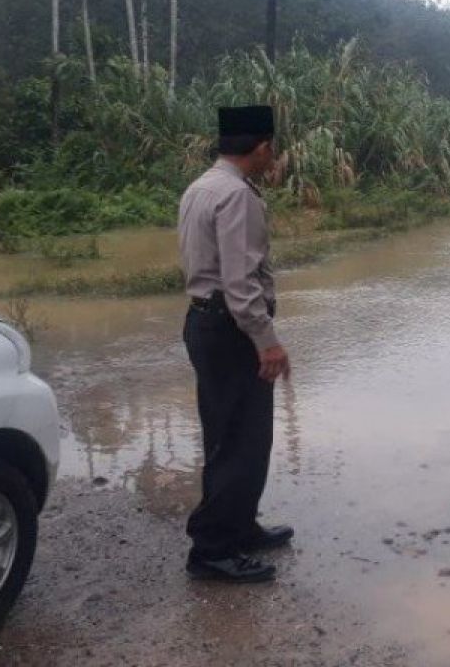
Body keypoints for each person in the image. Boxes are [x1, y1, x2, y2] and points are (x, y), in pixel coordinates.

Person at [177, 105, 293, 583]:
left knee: (229, 435)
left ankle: (238, 526)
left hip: (206, 323)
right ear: (262, 147)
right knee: (242, 442)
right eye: (273, 149)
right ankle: (213, 550)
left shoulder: (202, 186)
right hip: (232, 330)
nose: (275, 157)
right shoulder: (237, 197)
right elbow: (240, 283)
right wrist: (267, 341)